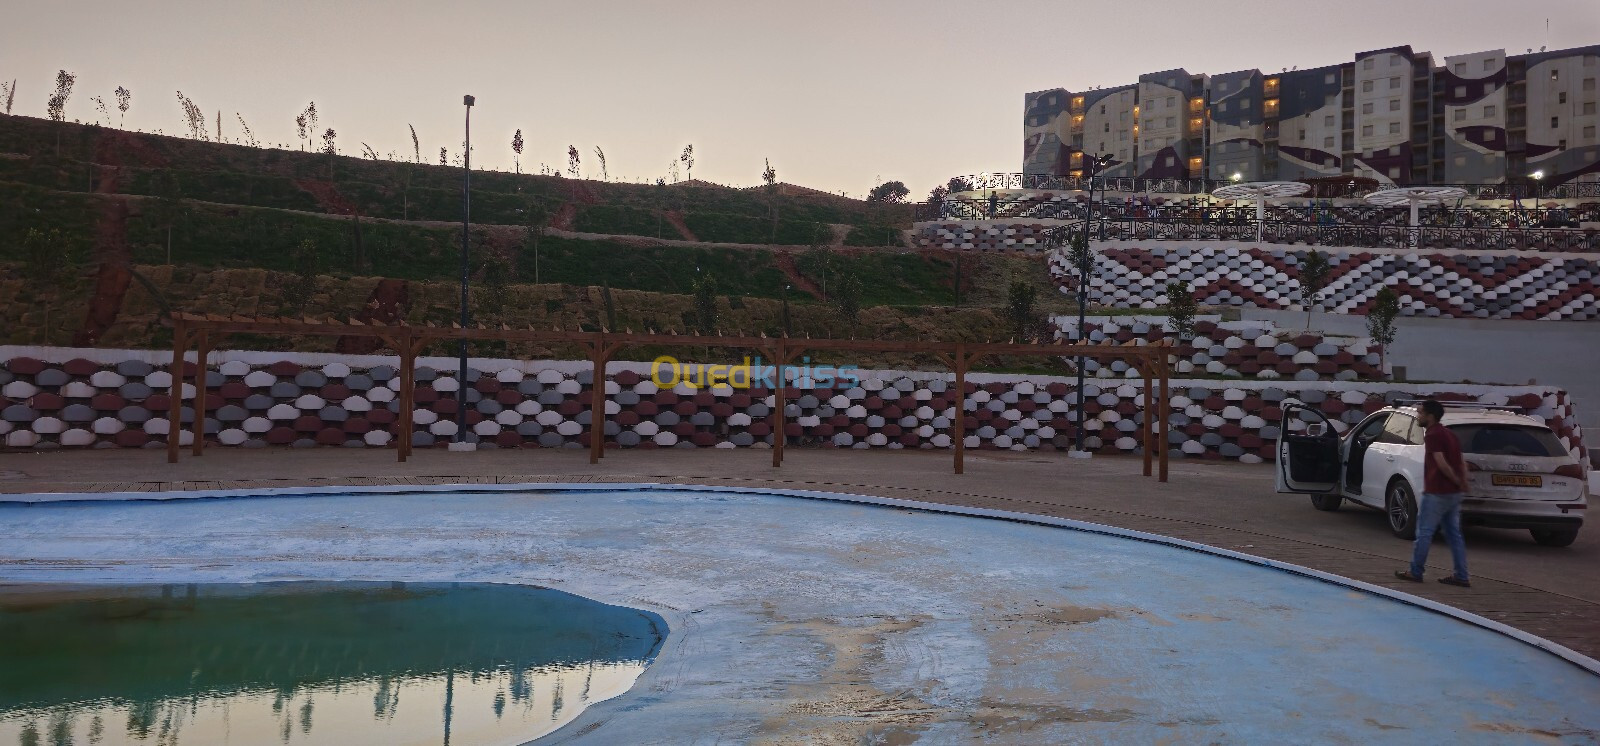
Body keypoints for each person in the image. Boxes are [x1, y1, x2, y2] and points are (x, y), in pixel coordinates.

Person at [1395, 399, 1471, 587]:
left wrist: (1456, 480)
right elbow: (1462, 462)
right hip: (1454, 494)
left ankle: (1415, 571)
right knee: (1454, 534)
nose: (1418, 416)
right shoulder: (1450, 434)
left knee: (1424, 532)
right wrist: (1462, 482)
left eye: (1421, 413)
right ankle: (1461, 575)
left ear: (1430, 416)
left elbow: (1441, 462)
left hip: (1437, 492)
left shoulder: (1433, 434)